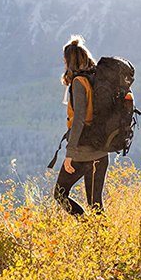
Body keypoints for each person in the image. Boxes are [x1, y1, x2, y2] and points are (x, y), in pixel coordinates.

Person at [53, 35, 109, 215]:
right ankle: (103, 240)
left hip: (83, 152)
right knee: (95, 204)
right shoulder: (96, 79)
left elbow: (78, 120)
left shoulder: (79, 83)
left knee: (60, 194)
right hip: (101, 150)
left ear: (69, 62)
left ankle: (84, 226)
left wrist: (70, 153)